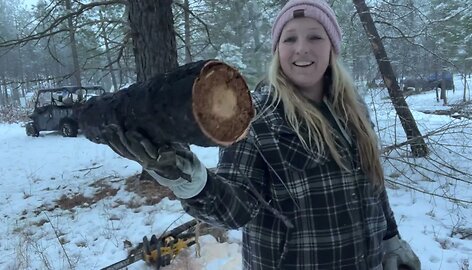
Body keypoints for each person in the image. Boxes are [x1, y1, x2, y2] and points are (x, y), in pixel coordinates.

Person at [102, 0, 421, 269]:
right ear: (277, 49)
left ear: (333, 47)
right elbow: (238, 205)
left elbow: (374, 186)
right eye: (289, 39)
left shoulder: (354, 109)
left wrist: (390, 238)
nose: (302, 49)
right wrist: (192, 182)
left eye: (315, 37)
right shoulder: (256, 116)